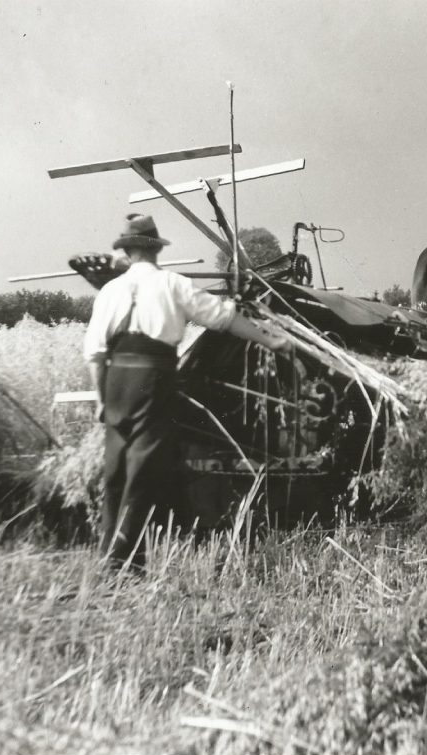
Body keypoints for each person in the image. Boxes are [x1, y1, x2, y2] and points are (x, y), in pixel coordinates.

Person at [83, 213, 292, 571]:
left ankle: (109, 553)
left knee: (115, 468)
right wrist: (271, 339)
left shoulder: (110, 290)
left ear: (128, 250)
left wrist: (102, 399)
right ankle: (125, 561)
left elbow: (95, 352)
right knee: (143, 468)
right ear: (154, 249)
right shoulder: (173, 284)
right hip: (153, 377)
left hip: (116, 379)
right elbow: (224, 317)